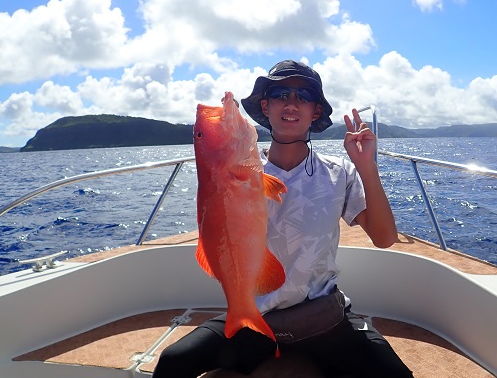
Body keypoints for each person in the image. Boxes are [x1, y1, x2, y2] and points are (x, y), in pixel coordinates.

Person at [152, 60, 413, 377]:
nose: (291, 103)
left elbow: (384, 238)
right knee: (173, 362)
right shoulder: (239, 172)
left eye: (303, 96)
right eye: (280, 94)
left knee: (395, 375)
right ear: (265, 106)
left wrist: (366, 165)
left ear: (316, 111)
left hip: (322, 318)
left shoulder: (339, 172)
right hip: (258, 314)